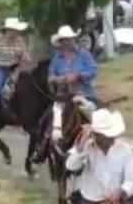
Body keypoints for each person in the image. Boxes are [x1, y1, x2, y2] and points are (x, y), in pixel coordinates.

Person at [32, 25, 100, 163]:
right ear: (60, 42)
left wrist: (79, 76)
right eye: (63, 40)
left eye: (69, 40)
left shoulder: (84, 54)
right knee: (45, 119)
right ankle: (41, 149)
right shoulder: (57, 58)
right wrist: (57, 79)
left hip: (83, 94)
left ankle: (100, 146)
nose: (66, 43)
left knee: (98, 116)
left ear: (73, 40)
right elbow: (50, 76)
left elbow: (93, 71)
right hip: (62, 96)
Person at [0, 17, 30, 130]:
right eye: (13, 30)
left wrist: (26, 58)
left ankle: (19, 115)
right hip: (0, 68)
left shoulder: (19, 40)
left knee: (23, 90)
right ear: (8, 30)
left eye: (16, 30)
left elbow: (26, 55)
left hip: (15, 69)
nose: (16, 33)